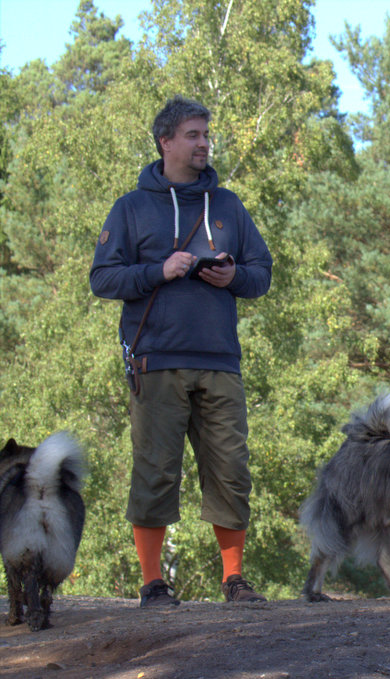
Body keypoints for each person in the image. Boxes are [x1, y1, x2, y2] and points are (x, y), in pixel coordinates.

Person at [91, 96, 273, 607]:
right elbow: (102, 278)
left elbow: (262, 273)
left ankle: (234, 580)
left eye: (206, 134)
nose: (204, 143)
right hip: (156, 362)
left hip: (220, 362)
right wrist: (160, 270)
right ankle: (153, 584)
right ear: (165, 141)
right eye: (193, 134)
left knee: (231, 471)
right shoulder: (131, 208)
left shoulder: (229, 206)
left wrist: (234, 276)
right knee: (155, 472)